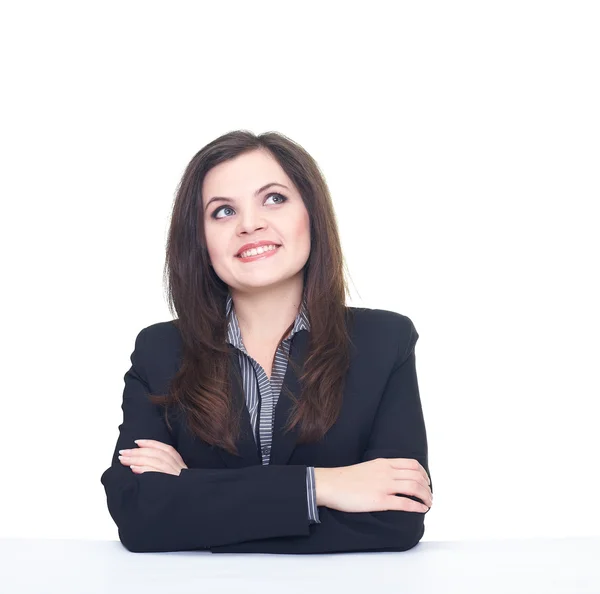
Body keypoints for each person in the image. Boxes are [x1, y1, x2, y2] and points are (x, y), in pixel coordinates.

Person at [100, 130, 433, 554]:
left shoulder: (385, 342)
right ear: (200, 240)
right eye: (222, 211)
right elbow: (138, 515)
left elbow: (397, 517)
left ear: (311, 213)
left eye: (274, 198)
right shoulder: (160, 351)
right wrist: (322, 486)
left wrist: (191, 491)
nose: (250, 224)